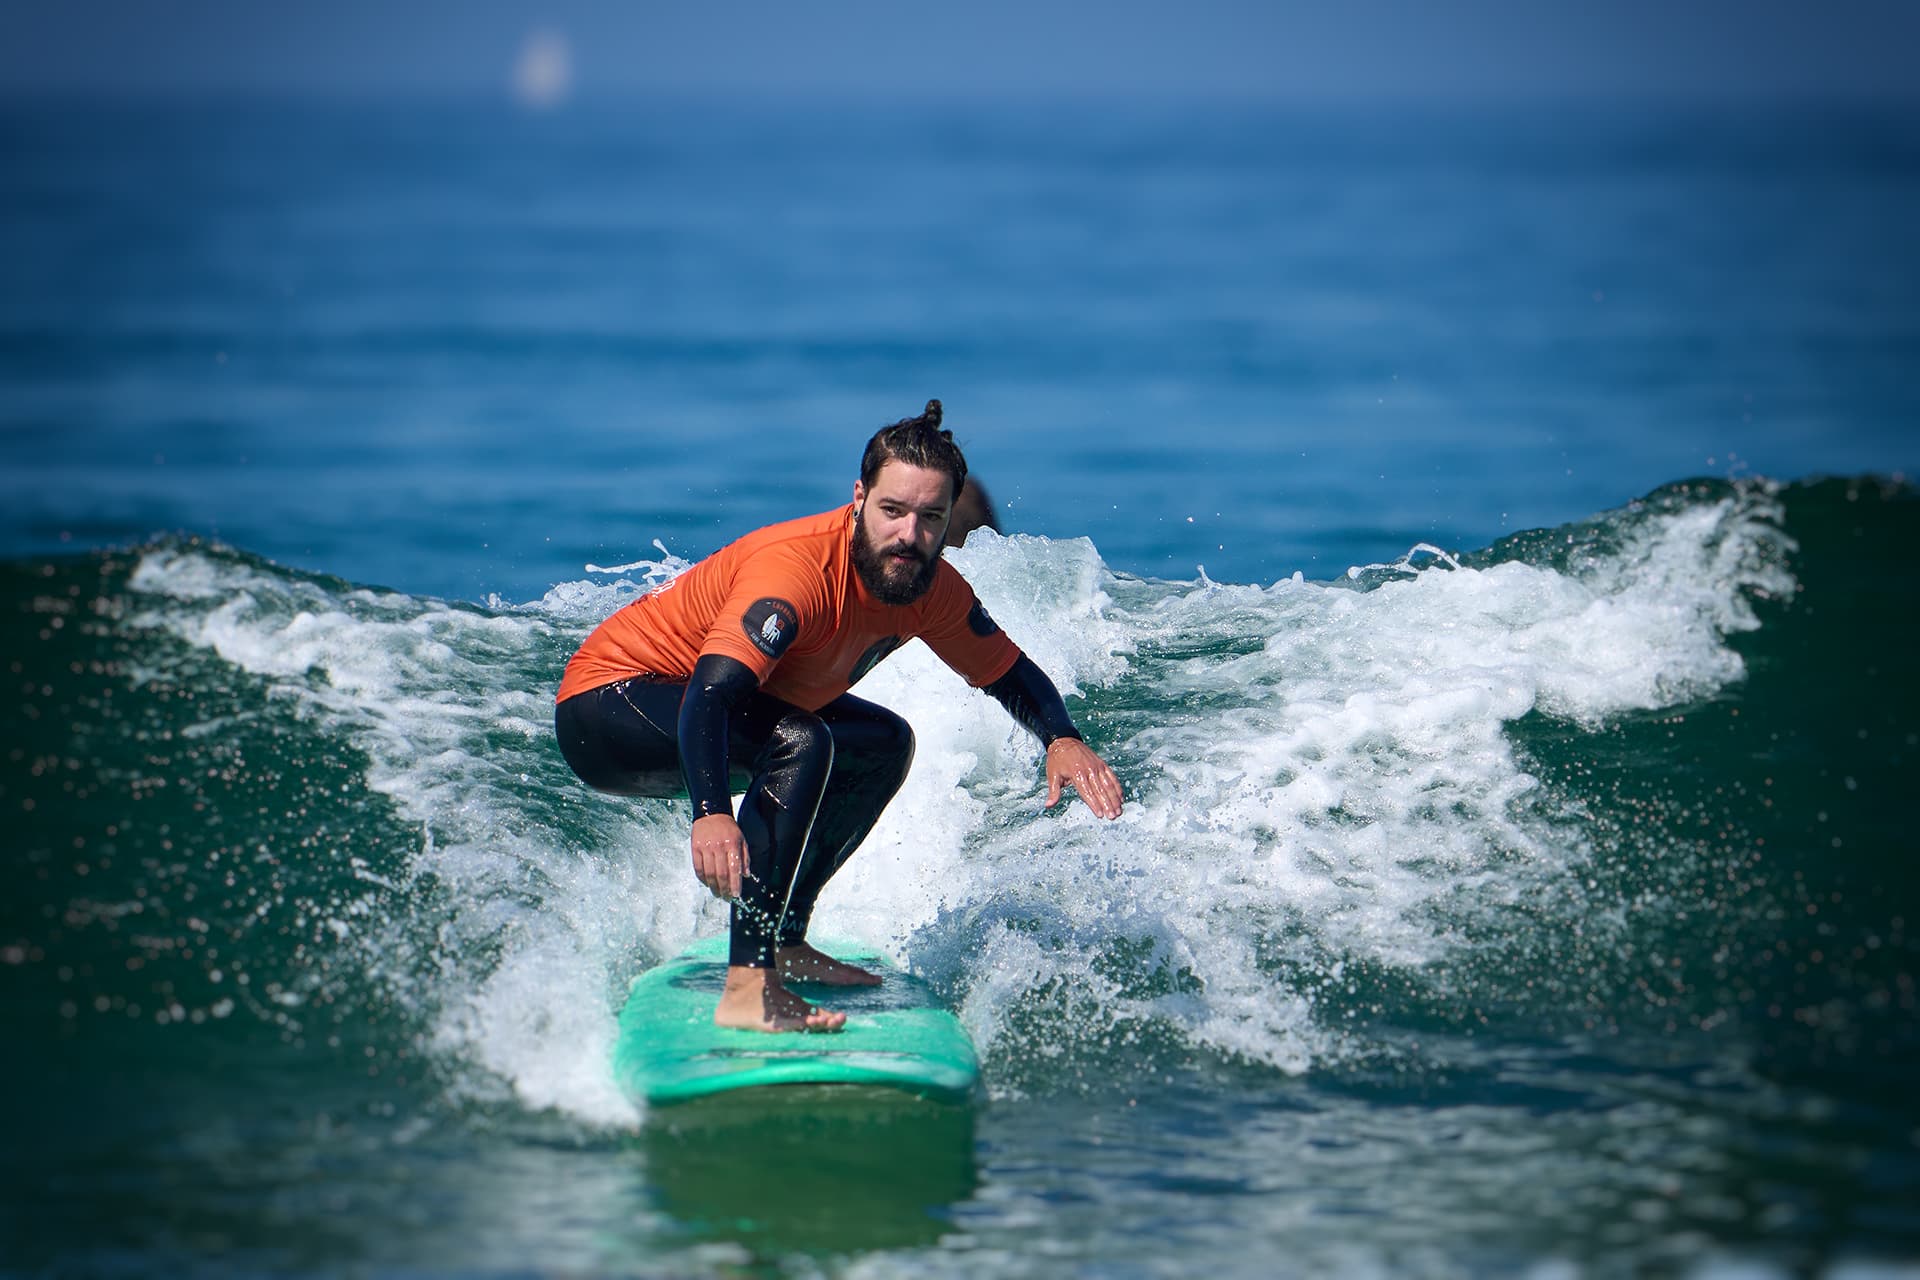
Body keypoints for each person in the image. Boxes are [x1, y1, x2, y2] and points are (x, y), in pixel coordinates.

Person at [553, 400, 1123, 1033]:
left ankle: (786, 942)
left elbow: (1007, 672)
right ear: (859, 497)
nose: (909, 535)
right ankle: (748, 984)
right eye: (893, 511)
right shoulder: (795, 572)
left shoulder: (928, 589)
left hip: (700, 704)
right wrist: (711, 813)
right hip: (610, 706)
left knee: (881, 742)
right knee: (803, 740)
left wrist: (1062, 739)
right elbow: (709, 699)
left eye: (930, 518)